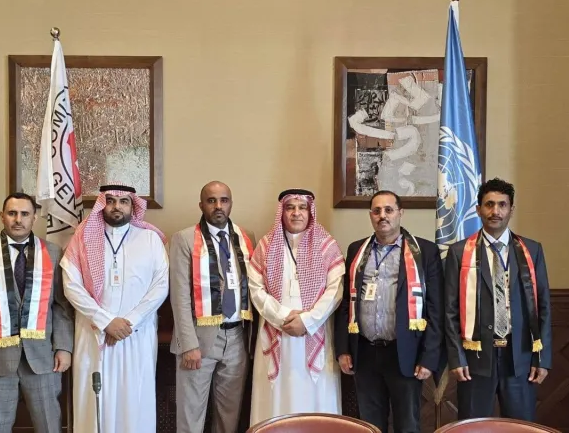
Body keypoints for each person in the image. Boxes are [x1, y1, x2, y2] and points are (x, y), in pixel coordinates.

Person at [0, 192, 74, 433]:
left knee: (49, 425)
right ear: (2, 216)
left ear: (34, 218)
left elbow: (61, 306)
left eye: (24, 214)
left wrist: (64, 347)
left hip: (43, 358)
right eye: (12, 213)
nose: (18, 219)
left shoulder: (53, 252)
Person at [61, 184, 169, 433]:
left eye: (123, 201)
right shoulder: (83, 238)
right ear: (102, 205)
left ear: (133, 206)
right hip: (94, 335)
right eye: (110, 200)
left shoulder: (150, 240)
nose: (116, 206)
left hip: (136, 336)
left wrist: (129, 321)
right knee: (94, 401)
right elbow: (71, 286)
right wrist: (106, 321)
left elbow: (161, 286)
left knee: (135, 400)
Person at [334, 190, 443, 433]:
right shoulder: (356, 250)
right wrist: (343, 349)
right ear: (370, 215)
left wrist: (429, 357)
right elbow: (346, 302)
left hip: (405, 353)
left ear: (400, 213)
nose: (382, 216)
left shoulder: (424, 251)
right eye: (377, 211)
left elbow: (436, 309)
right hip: (364, 352)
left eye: (389, 210)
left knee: (407, 425)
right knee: (370, 425)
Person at [445, 178, 552, 420]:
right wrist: (456, 358)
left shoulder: (531, 250)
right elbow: (450, 310)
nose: (496, 211)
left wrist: (542, 358)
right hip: (475, 358)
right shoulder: (459, 252)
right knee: (473, 426)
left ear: (511, 209)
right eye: (489, 204)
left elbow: (543, 306)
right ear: (478, 209)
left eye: (502, 205)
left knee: (520, 426)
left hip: (520, 357)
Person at [247, 189, 345, 424]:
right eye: (290, 207)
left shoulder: (326, 245)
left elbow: (336, 290)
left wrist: (307, 320)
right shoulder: (266, 245)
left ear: (310, 212)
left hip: (315, 331)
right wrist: (283, 317)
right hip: (276, 332)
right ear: (282, 212)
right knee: (276, 402)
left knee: (315, 397)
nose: (296, 213)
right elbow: (255, 289)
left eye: (302, 208)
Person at [169, 181, 256, 433]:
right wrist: (188, 345)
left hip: (237, 336)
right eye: (211, 200)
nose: (218, 206)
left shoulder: (246, 237)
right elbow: (179, 297)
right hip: (199, 338)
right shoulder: (184, 239)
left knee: (229, 416)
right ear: (201, 205)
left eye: (223, 200)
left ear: (231, 204)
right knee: (191, 416)